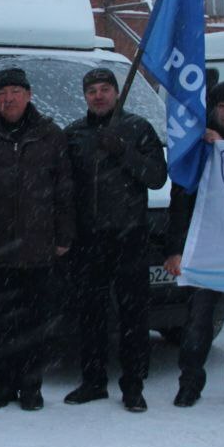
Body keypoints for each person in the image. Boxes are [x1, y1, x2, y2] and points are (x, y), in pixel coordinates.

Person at [0, 67, 74, 412]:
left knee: (35, 324)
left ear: (28, 95)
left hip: (38, 247)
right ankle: (3, 385)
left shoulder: (50, 135)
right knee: (0, 322)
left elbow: (64, 190)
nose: (8, 99)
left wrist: (64, 234)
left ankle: (31, 387)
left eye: (15, 91)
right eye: (1, 93)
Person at [62, 68, 167, 412]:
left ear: (117, 93)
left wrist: (123, 150)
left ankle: (133, 386)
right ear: (85, 96)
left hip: (129, 237)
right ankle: (93, 382)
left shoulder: (138, 129)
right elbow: (64, 186)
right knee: (90, 314)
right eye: (92, 90)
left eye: (105, 89)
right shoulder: (74, 133)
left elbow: (155, 176)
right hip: (89, 240)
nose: (99, 96)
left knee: (133, 316)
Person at [163, 81, 224, 407]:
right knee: (198, 321)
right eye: (221, 106)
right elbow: (181, 200)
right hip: (205, 245)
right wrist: (175, 247)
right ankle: (189, 383)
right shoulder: (196, 146)